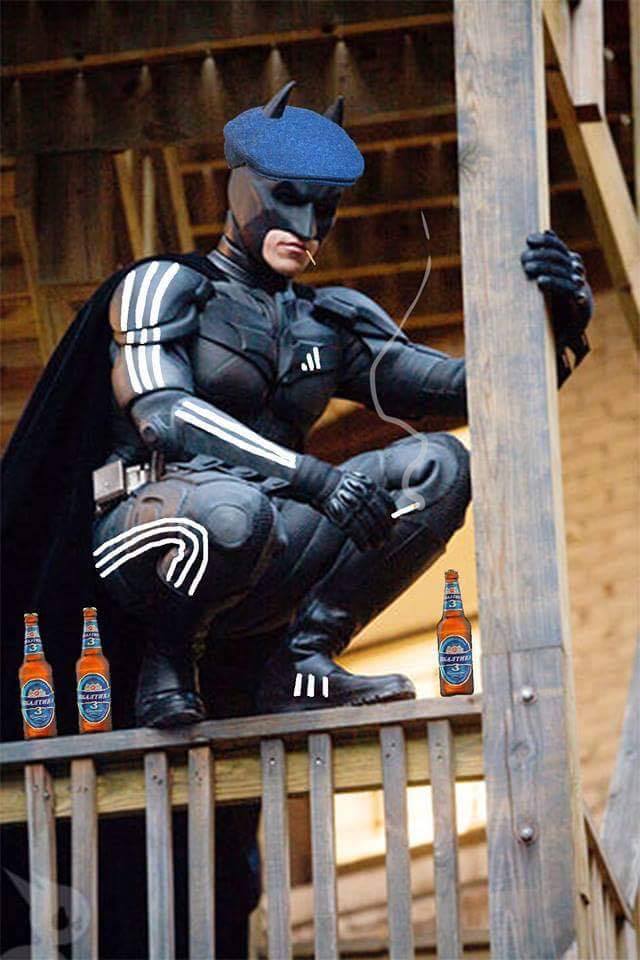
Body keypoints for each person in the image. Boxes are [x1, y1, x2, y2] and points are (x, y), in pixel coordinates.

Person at [0, 81, 593, 959]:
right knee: (232, 509)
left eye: (327, 208)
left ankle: (302, 658)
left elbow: (477, 394)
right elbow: (164, 413)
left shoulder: (328, 321)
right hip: (153, 536)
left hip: (267, 541)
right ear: (239, 185)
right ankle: (170, 656)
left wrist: (557, 327)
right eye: (288, 198)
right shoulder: (164, 287)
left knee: (437, 466)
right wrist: (311, 476)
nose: (309, 227)